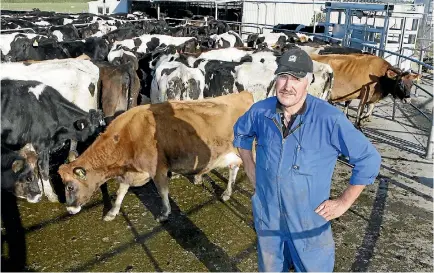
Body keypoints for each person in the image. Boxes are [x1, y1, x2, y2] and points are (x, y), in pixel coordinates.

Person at [233, 48, 381, 272]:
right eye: (283, 76)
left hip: (308, 217)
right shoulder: (260, 111)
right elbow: (241, 133)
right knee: (271, 267)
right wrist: (249, 166)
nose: (287, 85)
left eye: (296, 78)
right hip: (268, 212)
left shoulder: (328, 118)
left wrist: (344, 202)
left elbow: (368, 159)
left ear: (309, 81)